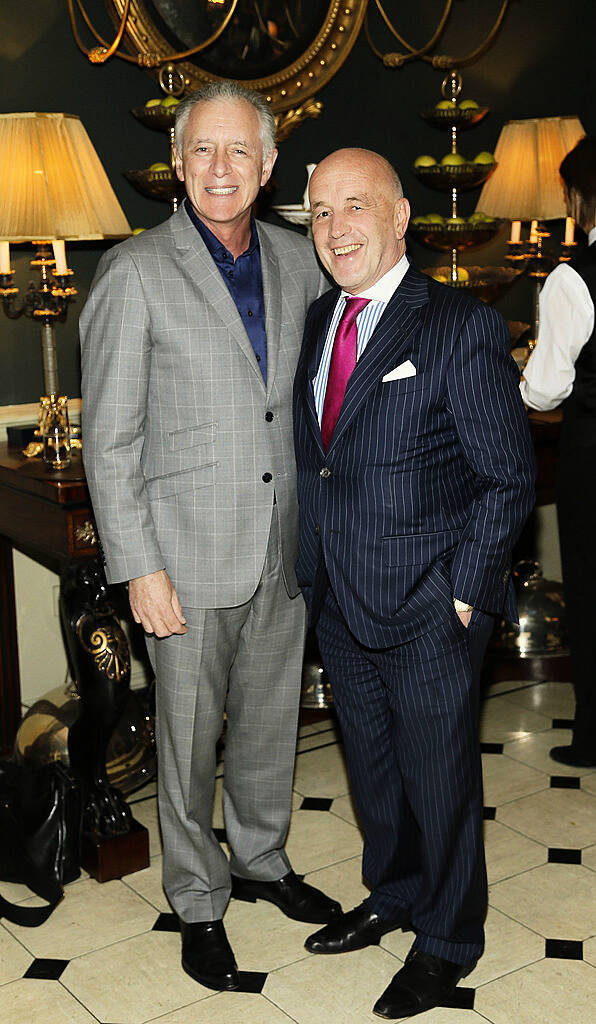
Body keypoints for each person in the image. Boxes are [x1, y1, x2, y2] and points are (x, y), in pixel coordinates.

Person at [80, 80, 339, 994]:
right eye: (203, 151)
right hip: (184, 558)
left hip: (284, 544)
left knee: (271, 723)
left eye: (240, 152)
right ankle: (197, 897)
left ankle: (262, 861)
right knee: (187, 742)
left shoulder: (301, 259)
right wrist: (138, 567)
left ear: (269, 166)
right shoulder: (135, 271)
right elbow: (109, 440)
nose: (221, 169)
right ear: (177, 164)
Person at [293, 148, 535, 1020]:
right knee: (375, 771)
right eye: (319, 212)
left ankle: (447, 942)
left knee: (439, 780)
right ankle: (394, 893)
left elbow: (508, 477)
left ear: (401, 218)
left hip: (432, 602)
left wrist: (464, 590)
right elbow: (322, 460)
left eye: (355, 206)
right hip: (343, 601)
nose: (336, 227)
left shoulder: (458, 326)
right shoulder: (322, 319)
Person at [521, 135, 596, 768]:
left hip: (592, 455)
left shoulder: (572, 280)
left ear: (578, 196)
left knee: (591, 587)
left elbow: (546, 389)